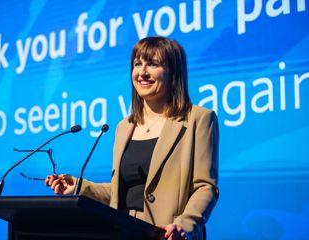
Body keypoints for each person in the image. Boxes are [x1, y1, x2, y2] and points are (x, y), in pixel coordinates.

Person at [45, 36, 219, 240]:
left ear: (173, 73)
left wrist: (184, 224)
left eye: (153, 64)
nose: (142, 72)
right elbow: (121, 193)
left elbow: (205, 187)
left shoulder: (199, 119)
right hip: (124, 232)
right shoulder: (124, 127)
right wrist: (79, 187)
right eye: (138, 64)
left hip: (168, 235)